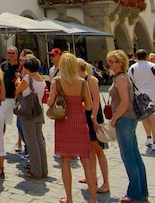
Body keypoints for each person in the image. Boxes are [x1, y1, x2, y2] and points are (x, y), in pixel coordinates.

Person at [48, 52, 96, 203]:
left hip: (64, 122)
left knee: (66, 161)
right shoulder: (82, 82)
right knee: (86, 161)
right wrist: (77, 104)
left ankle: (69, 198)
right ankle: (93, 199)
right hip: (80, 122)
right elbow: (89, 106)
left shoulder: (57, 81)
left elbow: (50, 102)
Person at [106, 49, 148, 203]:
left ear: (120, 63)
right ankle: (142, 191)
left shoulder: (121, 79)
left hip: (124, 118)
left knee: (129, 157)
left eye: (112, 61)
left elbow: (124, 102)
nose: (109, 64)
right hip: (129, 119)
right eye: (109, 61)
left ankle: (134, 195)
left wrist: (114, 118)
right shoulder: (121, 77)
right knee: (135, 156)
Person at [78, 57, 109, 195]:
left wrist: (94, 117)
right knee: (89, 149)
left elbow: (96, 100)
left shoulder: (91, 80)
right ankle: (92, 176)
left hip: (93, 116)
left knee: (97, 149)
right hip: (84, 116)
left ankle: (106, 182)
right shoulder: (79, 80)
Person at [16, 56, 47, 179]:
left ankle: (36, 170)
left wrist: (19, 80)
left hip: (28, 111)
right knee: (39, 140)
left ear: (27, 68)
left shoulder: (27, 79)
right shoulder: (41, 78)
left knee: (31, 141)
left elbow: (17, 91)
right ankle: (43, 169)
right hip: (39, 110)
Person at [0, 46, 22, 155]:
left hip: (18, 97)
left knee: (20, 121)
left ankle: (19, 142)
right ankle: (0, 142)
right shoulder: (4, 65)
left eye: (12, 53)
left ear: (16, 55)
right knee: (2, 120)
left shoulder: (21, 66)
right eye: (8, 53)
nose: (10, 55)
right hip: (7, 96)